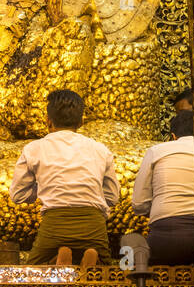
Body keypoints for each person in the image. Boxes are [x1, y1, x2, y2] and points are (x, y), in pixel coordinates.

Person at [10, 89, 119, 266]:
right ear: (82, 121)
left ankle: (59, 259)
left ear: (48, 120)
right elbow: (113, 198)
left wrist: (43, 186)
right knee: (107, 274)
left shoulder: (34, 148)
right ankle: (92, 257)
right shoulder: (100, 149)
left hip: (55, 223)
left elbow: (17, 195)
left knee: (32, 274)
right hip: (93, 224)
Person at [132, 109, 194, 265]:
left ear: (173, 136)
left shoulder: (157, 150)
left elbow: (138, 204)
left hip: (165, 235)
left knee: (138, 268)